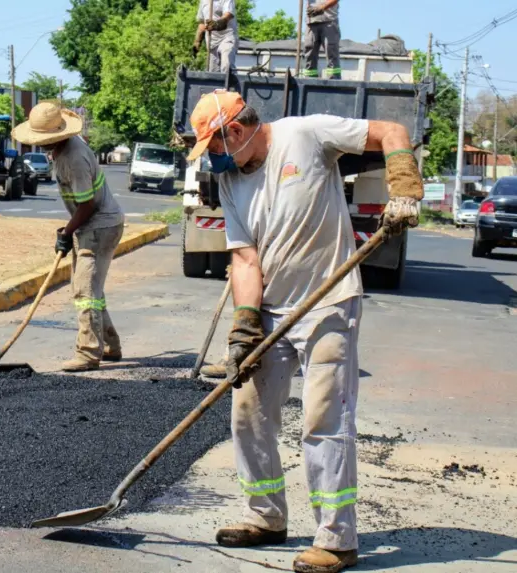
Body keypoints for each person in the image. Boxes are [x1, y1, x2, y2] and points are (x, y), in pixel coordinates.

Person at [186, 89, 422, 573]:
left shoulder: (307, 134)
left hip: (328, 303)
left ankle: (337, 539)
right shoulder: (232, 183)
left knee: (323, 419)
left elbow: (392, 132)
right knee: (247, 414)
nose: (212, 157)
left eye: (212, 146)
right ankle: (265, 516)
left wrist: (402, 184)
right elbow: (245, 257)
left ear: (235, 131)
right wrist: (245, 326)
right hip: (272, 310)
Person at [12, 102, 126, 372]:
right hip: (91, 224)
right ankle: (110, 345)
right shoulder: (63, 149)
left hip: (100, 225)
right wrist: (70, 230)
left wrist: (68, 231)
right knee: (92, 288)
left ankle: (88, 352)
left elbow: (87, 205)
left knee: (84, 290)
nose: (40, 145)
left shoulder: (72, 158)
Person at [193, 0, 238, 74]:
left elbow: (227, 16)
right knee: (212, 73)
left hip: (226, 37)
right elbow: (202, 23)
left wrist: (216, 24)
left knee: (227, 66)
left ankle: (230, 85)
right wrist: (197, 42)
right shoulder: (203, 1)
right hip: (212, 42)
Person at [303, 0, 341, 79]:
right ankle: (309, 80)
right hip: (312, 20)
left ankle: (334, 80)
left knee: (331, 51)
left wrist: (321, 7)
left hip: (329, 20)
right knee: (309, 50)